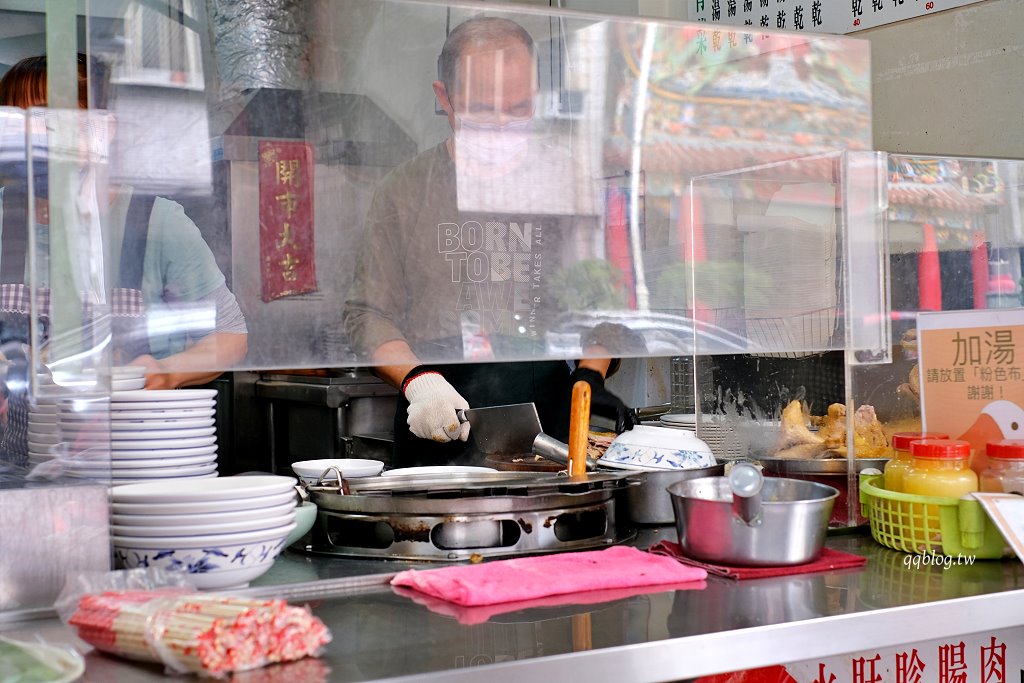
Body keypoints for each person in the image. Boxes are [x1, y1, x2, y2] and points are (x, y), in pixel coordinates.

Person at [344, 17, 634, 467]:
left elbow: (600, 307)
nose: (501, 125)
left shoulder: (564, 183)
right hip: (436, 425)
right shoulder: (405, 191)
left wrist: (591, 381)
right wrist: (419, 383)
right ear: (444, 98)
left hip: (548, 434)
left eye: (518, 108)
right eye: (482, 108)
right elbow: (367, 314)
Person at [0, 54, 247, 464]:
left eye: (56, 121)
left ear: (104, 128)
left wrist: (167, 371)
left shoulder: (155, 221)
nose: (40, 137)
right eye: (22, 123)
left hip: (139, 459)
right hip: (21, 468)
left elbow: (230, 335)